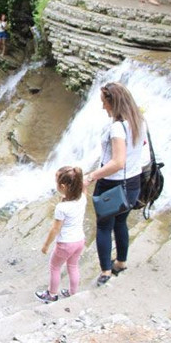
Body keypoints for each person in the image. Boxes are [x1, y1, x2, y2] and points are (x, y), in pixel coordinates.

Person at [84, 82, 146, 285]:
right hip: (134, 183)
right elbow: (139, 147)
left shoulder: (117, 128)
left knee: (103, 227)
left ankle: (106, 271)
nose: (103, 107)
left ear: (113, 102)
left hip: (112, 185)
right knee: (121, 222)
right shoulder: (139, 121)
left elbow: (118, 162)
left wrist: (92, 176)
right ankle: (120, 262)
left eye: (104, 102)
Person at [35, 166, 87, 303]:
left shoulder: (62, 208)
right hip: (80, 241)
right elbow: (82, 185)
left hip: (65, 244)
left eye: (56, 181)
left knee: (55, 267)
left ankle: (52, 294)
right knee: (73, 266)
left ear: (63, 186)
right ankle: (73, 292)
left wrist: (46, 245)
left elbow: (55, 229)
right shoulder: (83, 197)